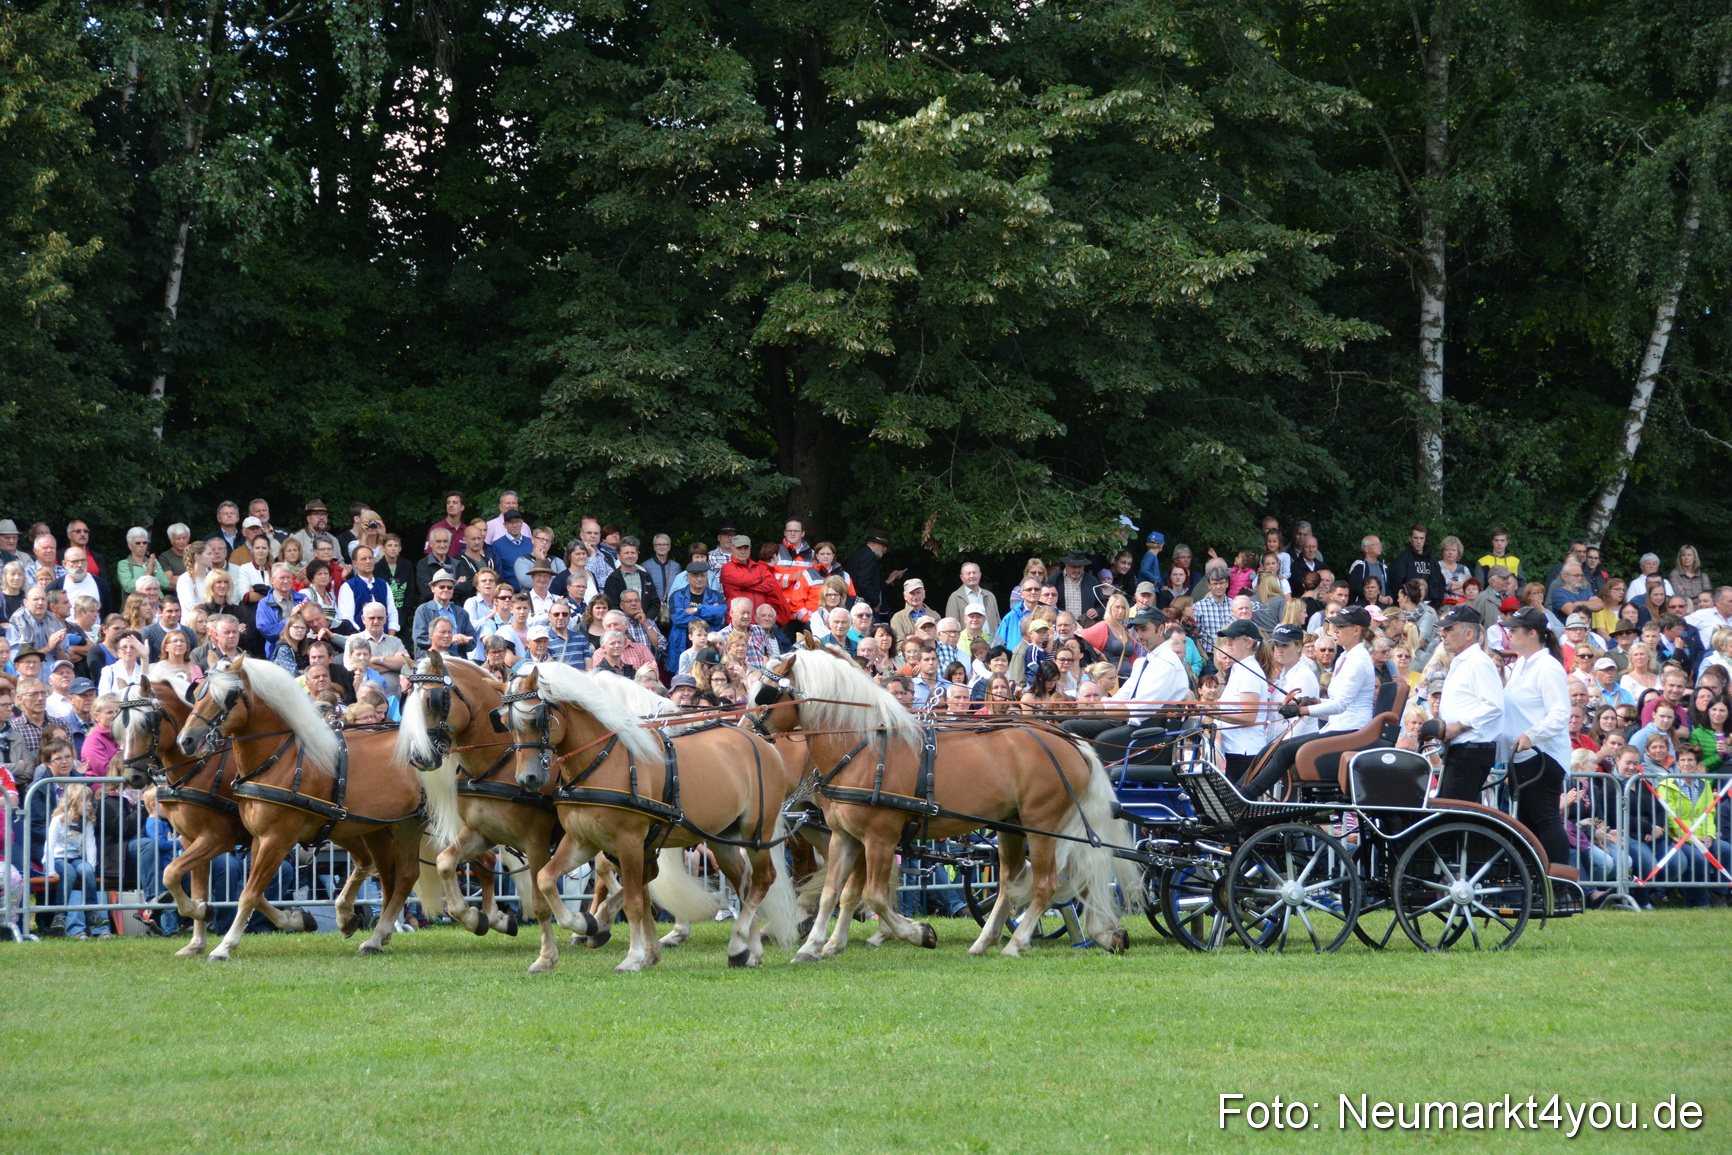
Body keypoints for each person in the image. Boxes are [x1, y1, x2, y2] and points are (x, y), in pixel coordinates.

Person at [1243, 606, 1378, 799]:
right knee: (1272, 747)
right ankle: (1238, 790)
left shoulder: (1358, 661)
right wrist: (1313, 701)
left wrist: (1302, 710)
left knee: (1284, 751)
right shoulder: (1345, 657)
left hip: (1351, 731)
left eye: (1341, 626)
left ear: (1356, 630)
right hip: (1338, 727)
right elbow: (1334, 701)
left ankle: (1247, 795)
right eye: (1335, 625)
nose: (1335, 630)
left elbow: (1339, 705)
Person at [1496, 606, 1574, 866]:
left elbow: (1561, 712)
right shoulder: (1520, 665)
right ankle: (1536, 888)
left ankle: (1559, 885)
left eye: (1514, 630)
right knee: (1528, 825)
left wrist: (1532, 734)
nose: (1509, 635)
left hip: (1543, 756)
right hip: (1523, 757)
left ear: (1532, 634)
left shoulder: (1548, 667)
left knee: (1545, 820)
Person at [1060, 609, 1191, 759]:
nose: (1139, 636)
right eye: (1137, 631)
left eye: (1144, 630)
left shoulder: (1165, 663)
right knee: (1071, 720)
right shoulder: (1149, 660)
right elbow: (1125, 693)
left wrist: (1102, 710)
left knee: (1068, 726)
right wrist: (1099, 705)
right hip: (1137, 722)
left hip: (1145, 728)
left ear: (1161, 629)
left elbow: (1141, 709)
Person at [1422, 606, 1505, 801]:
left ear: (1469, 633)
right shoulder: (1466, 661)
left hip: (1471, 750)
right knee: (1453, 811)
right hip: (1463, 749)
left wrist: (1457, 727)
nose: (1442, 634)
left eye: (1449, 629)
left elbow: (1494, 705)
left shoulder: (1478, 662)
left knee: (1453, 812)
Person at [45, 778, 111, 939]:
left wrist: (91, 866)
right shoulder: (58, 821)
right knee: (68, 873)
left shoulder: (86, 822)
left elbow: (90, 846)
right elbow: (50, 846)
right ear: (73, 802)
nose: (90, 804)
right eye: (85, 800)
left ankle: (92, 913)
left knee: (87, 870)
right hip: (58, 859)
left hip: (75, 858)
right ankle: (60, 914)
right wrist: (51, 870)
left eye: (90, 800)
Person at [1213, 620, 1274, 782]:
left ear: (1249, 643)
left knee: (1240, 804)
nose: (1229, 642)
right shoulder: (1239, 669)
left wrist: (1214, 713)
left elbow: (1249, 717)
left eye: (1234, 638)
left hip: (1245, 752)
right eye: (1228, 639)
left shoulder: (1249, 672)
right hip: (1236, 750)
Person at [411, 571, 474, 659]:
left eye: (449, 587)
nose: (446, 589)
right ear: (433, 588)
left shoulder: (461, 612)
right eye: (441, 587)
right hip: (430, 661)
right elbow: (419, 638)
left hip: (457, 663)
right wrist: (450, 639)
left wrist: (465, 641)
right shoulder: (423, 610)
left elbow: (472, 642)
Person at [845, 530, 902, 617]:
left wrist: (888, 581)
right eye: (883, 545)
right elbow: (864, 583)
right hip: (862, 604)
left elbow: (871, 582)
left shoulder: (862, 554)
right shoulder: (869, 556)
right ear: (873, 543)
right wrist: (875, 602)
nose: (885, 549)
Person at [944, 562, 1001, 634]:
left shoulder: (990, 596)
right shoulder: (955, 597)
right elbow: (951, 625)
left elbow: (998, 622)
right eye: (968, 573)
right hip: (967, 643)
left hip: (991, 642)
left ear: (980, 575)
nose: (972, 576)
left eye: (974, 573)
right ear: (961, 577)